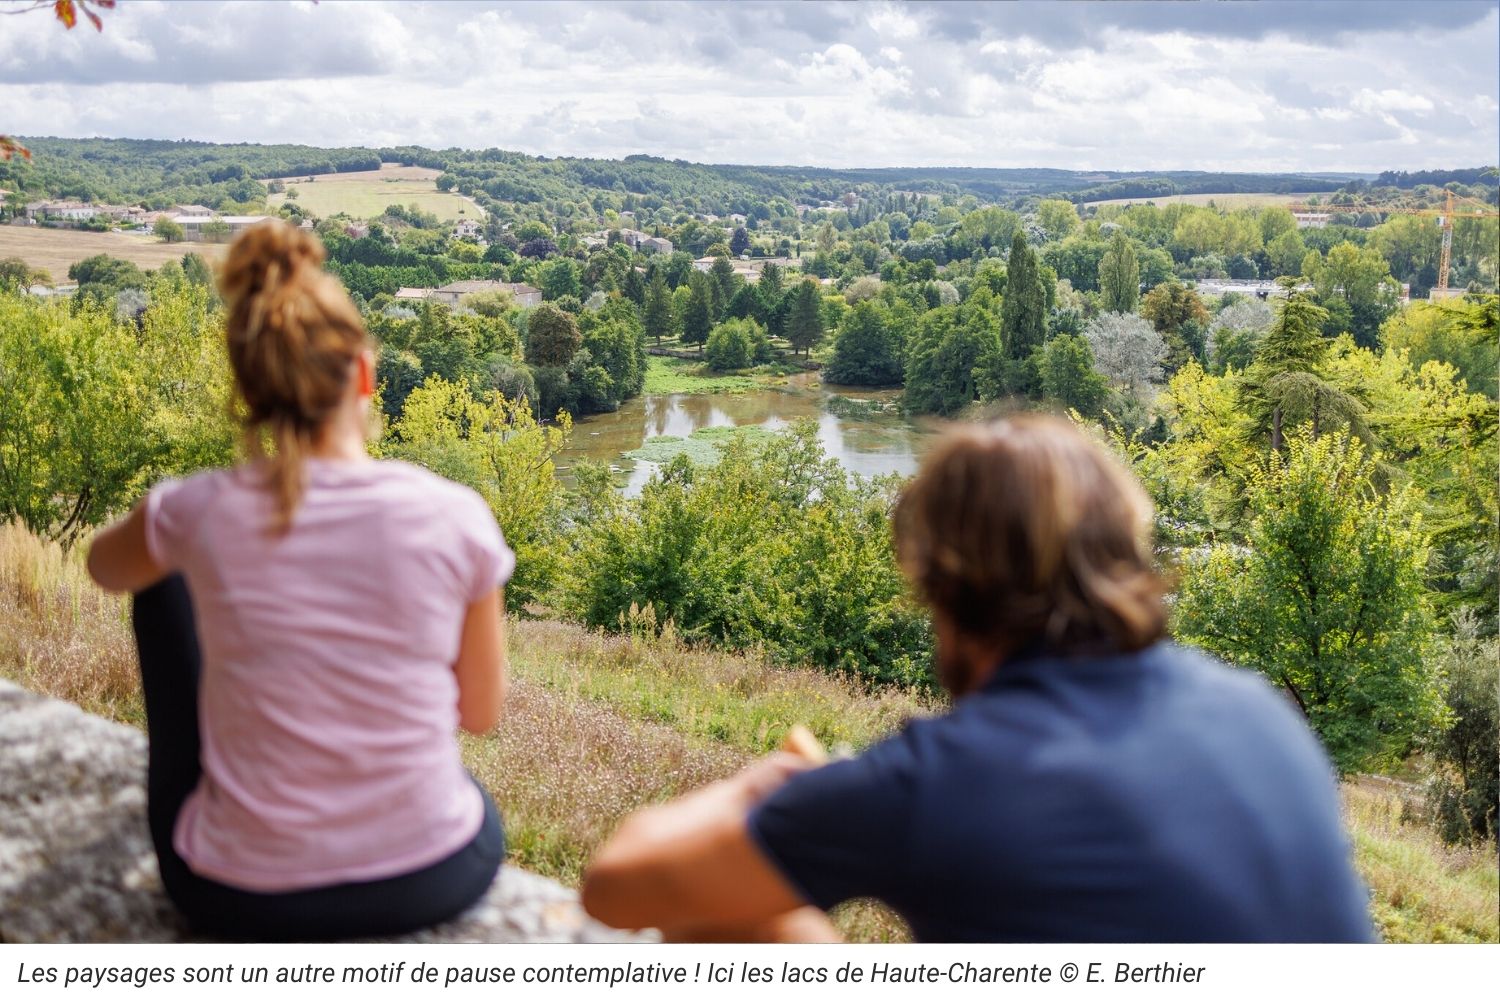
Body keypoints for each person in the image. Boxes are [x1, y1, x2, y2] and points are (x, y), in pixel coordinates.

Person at [581, 415, 1375, 943]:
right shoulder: (1258, 709)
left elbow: (616, 884)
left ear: (940, 584)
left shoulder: (935, 782)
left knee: (743, 920)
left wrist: (777, 786)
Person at [87, 220, 511, 941]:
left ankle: (243, 814)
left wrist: (168, 527)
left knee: (159, 581)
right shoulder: (454, 515)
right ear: (365, 376)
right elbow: (480, 713)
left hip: (237, 894)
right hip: (429, 876)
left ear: (249, 390)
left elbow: (103, 567)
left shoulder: (195, 511)